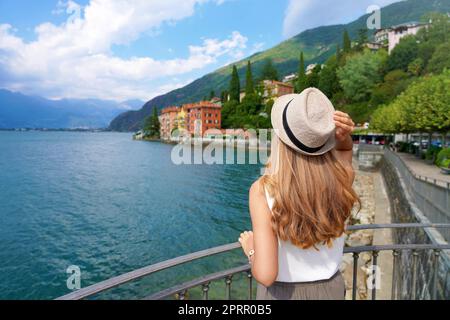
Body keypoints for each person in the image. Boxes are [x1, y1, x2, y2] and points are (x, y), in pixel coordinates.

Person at [238, 88, 360, 300]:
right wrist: (344, 137)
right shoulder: (342, 180)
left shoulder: (263, 190)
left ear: (279, 140)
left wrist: (251, 249)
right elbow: (344, 152)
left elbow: (266, 275)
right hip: (332, 290)